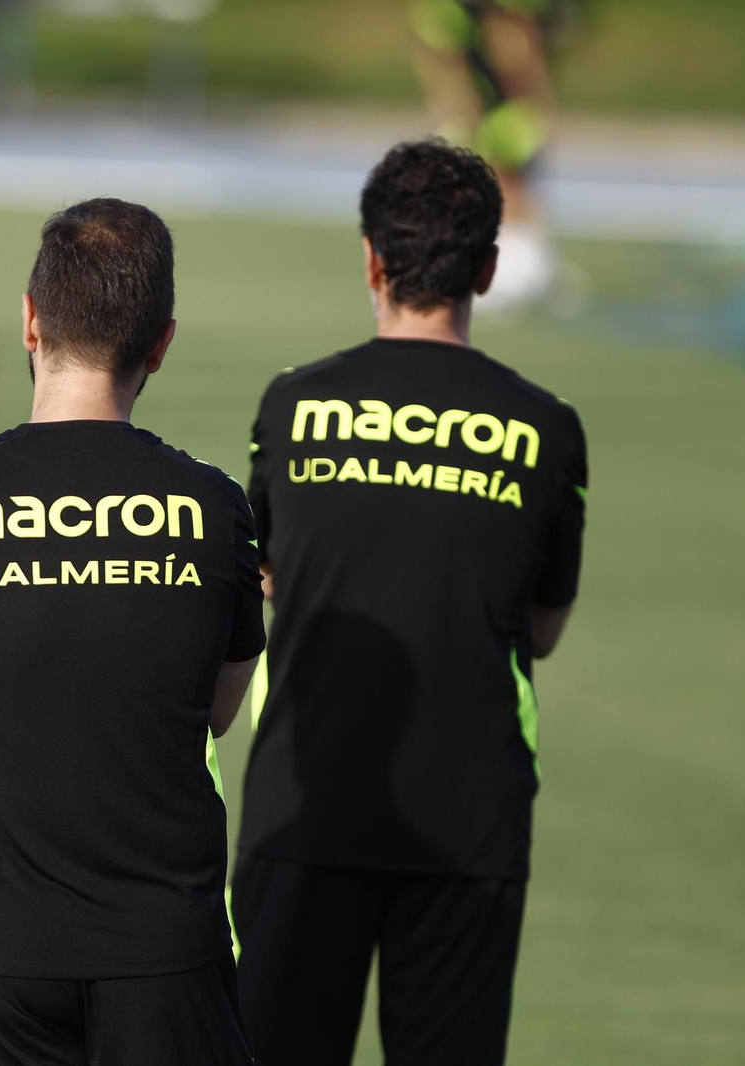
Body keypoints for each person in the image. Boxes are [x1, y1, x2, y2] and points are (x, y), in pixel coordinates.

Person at [0, 198, 264, 1064]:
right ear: (161, 342)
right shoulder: (215, 507)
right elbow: (215, 706)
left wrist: (9, 700)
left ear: (30, 321)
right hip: (165, 945)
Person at [233, 140, 588, 1065]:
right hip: (467, 820)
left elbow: (266, 576)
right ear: (490, 268)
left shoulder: (293, 405)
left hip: (304, 806)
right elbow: (541, 626)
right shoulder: (545, 428)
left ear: (371, 259)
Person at [411, 0, 570, 310]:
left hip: (502, 112)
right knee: (486, 191)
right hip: (482, 114)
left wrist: (537, 102)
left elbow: (521, 60)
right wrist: (458, 107)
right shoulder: (449, 12)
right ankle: (486, 275)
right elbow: (444, 62)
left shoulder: (502, 16)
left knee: (514, 188)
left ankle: (530, 270)